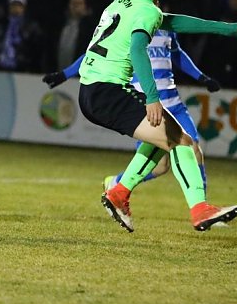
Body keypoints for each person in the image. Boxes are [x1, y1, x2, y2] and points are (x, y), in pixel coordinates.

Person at [48, 0, 237, 232]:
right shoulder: (148, 11)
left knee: (161, 141)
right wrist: (152, 97)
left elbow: (172, 22)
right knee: (183, 142)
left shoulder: (122, 2)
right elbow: (137, 49)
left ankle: (119, 193)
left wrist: (226, 29)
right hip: (109, 91)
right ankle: (200, 209)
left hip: (91, 90)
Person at [46, 27, 221, 200]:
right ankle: (116, 183)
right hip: (150, 107)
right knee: (160, 167)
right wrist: (64, 74)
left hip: (174, 103)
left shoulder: (166, 26)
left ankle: (203, 205)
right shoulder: (131, 25)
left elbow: (177, 54)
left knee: (194, 149)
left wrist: (202, 77)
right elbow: (96, 54)